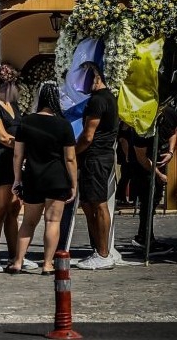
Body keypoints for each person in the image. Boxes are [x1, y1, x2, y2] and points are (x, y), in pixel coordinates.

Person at [8, 81, 78, 274]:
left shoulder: (26, 122)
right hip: (57, 178)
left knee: (28, 222)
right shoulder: (63, 124)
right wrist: (74, 183)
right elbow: (70, 158)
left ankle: (18, 261)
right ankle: (47, 264)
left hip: (32, 177)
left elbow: (17, 154)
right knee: (52, 222)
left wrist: (17, 179)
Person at [0, 64, 37, 273]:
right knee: (1, 209)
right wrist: (26, 145)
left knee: (14, 209)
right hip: (0, 160)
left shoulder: (11, 103)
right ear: (7, 84)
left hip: (14, 160)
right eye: (16, 86)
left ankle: (16, 255)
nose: (18, 91)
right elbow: (3, 137)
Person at [74, 61, 119, 270]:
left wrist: (73, 152)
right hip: (99, 156)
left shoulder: (99, 100)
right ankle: (98, 250)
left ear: (97, 77)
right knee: (89, 202)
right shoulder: (107, 98)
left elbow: (88, 135)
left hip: (96, 157)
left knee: (98, 203)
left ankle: (103, 253)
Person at [127, 99, 176, 255]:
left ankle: (146, 236)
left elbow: (174, 131)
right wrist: (159, 174)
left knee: (154, 199)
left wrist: (170, 152)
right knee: (147, 199)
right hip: (144, 165)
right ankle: (144, 237)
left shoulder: (169, 113)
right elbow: (141, 157)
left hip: (161, 157)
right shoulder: (141, 123)